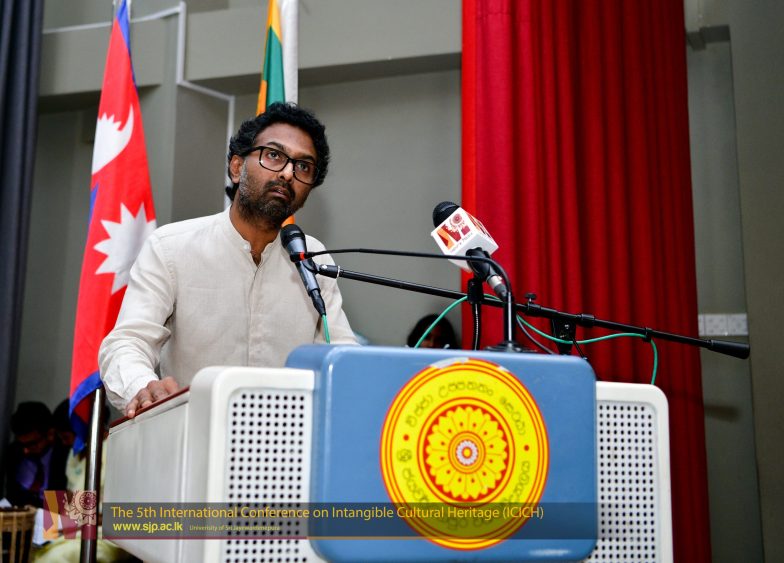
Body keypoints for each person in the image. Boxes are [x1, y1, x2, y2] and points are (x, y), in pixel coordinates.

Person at [99, 102, 356, 418]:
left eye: (303, 167)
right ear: (237, 167)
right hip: (191, 433)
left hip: (285, 441)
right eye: (274, 155)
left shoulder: (310, 258)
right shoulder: (172, 248)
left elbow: (343, 356)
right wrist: (142, 386)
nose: (288, 173)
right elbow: (127, 343)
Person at [4, 402, 69, 508]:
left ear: (50, 434)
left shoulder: (63, 455)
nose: (26, 450)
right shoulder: (15, 453)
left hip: (53, 512)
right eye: (22, 444)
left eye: (32, 444)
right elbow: (12, 495)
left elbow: (59, 504)